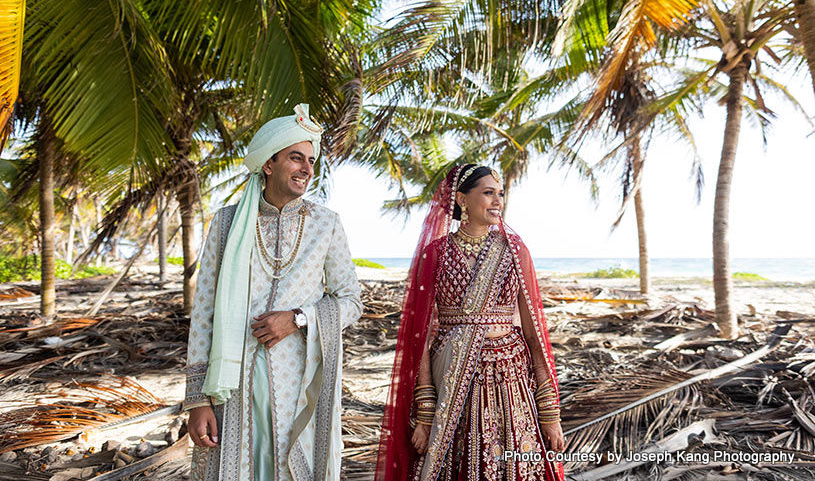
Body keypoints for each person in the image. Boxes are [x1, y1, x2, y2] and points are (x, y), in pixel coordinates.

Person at [183, 104, 363, 481]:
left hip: (300, 384)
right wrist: (198, 401)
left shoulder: (326, 224)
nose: (307, 169)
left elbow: (350, 301)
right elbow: (203, 315)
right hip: (232, 386)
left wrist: (297, 319)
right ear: (269, 164)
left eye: (311, 161)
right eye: (296, 158)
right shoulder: (227, 223)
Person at [375, 164, 566, 481]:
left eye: (500, 194)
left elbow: (535, 336)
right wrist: (425, 414)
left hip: (510, 380)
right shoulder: (435, 253)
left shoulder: (516, 251)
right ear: (462, 200)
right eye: (488, 193)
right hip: (453, 382)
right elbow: (421, 338)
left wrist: (549, 413)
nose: (497, 202)